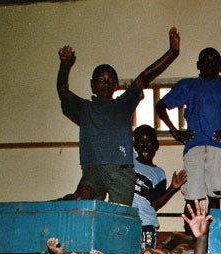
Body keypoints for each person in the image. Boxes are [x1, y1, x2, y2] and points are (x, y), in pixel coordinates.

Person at [57, 28, 180, 205]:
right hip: (93, 170)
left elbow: (145, 76)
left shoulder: (123, 104)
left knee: (118, 217)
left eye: (110, 81)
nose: (106, 83)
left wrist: (172, 52)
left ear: (115, 86)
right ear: (92, 85)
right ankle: (55, 205)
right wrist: (65, 65)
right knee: (79, 198)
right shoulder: (85, 109)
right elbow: (62, 91)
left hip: (121, 172)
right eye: (101, 80)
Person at [156, 47, 221, 212]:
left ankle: (212, 235)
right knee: (191, 195)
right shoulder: (188, 86)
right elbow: (161, 106)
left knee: (215, 192)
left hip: (216, 148)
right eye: (205, 61)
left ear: (220, 66)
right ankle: (191, 235)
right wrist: (174, 131)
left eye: (213, 62)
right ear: (198, 65)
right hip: (193, 147)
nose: (209, 65)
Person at [132, 125, 187, 249]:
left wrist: (173, 187)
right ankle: (171, 241)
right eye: (141, 143)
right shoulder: (128, 160)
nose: (145, 147)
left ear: (156, 145)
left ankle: (173, 242)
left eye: (149, 143)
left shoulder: (158, 174)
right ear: (134, 145)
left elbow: (155, 205)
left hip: (146, 222)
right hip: (125, 220)